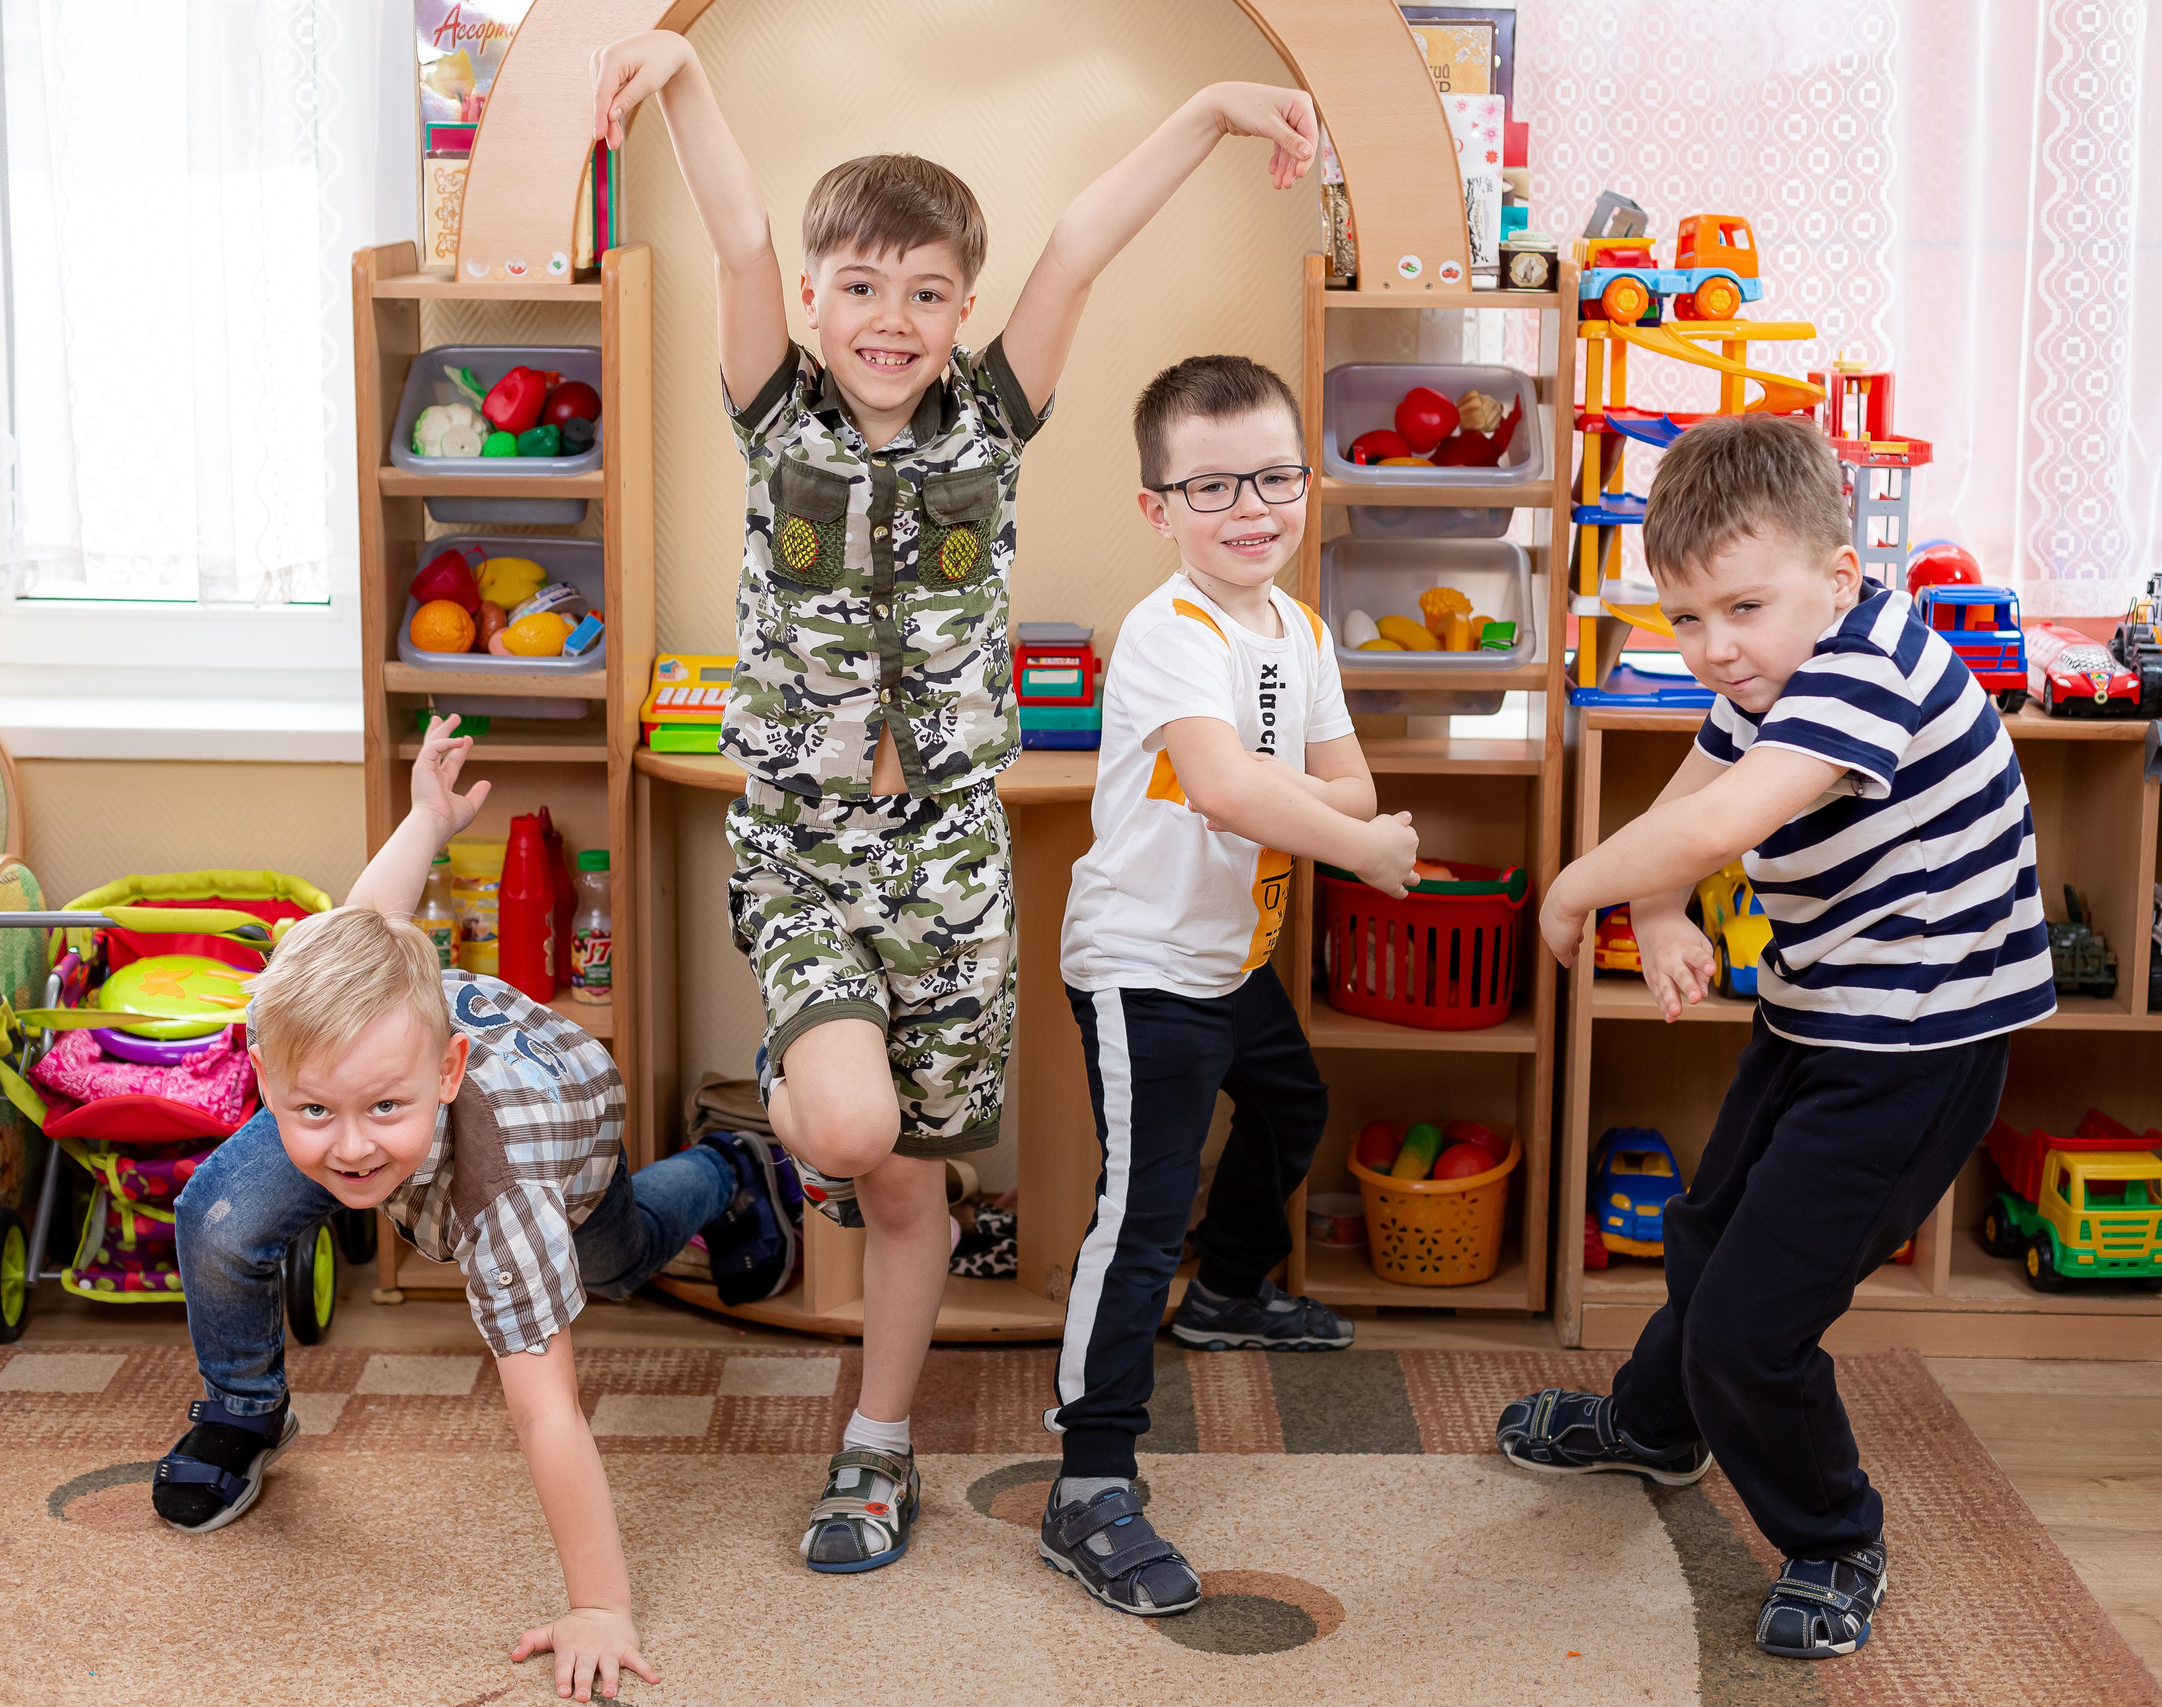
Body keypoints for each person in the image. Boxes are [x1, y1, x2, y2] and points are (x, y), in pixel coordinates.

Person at [588, 31, 1322, 1576]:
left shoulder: (993, 419)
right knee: (851, 1126)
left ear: (962, 312)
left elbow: (1077, 244)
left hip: (951, 862)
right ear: (813, 301)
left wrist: (1202, 104)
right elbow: (729, 225)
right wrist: (677, 77)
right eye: (859, 285)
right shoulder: (769, 416)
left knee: (917, 1181)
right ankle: (748, 1155)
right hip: (804, 842)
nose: (891, 318)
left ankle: (876, 1445)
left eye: (926, 291)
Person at [1501, 413, 2054, 1659]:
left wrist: (1578, 887)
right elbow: (1688, 801)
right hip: (1820, 1014)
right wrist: (1653, 904)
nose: (1714, 651)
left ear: (1840, 579)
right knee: (1704, 1240)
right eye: (1686, 619)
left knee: (1755, 1320)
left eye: (1742, 609)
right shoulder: (1769, 673)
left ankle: (1833, 1536)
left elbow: (1721, 824)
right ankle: (1655, 1424)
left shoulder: (1865, 670)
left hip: (1916, 1046)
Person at [152, 716, 799, 1703]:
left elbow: (546, 1415)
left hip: (564, 1133)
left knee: (616, 1264)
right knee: (222, 1213)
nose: (351, 1146)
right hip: (392, 1052)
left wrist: (600, 1605)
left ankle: (726, 1166)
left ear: (445, 1071)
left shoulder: (510, 1196)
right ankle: (244, 1411)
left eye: (382, 1112)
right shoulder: (315, 1040)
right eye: (311, 1109)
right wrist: (427, 821)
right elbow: (368, 919)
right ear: (264, 1070)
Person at [1041, 356, 1419, 1615]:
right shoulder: (1167, 634)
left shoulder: (1296, 631)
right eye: (1211, 486)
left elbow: (1340, 781)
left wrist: (1307, 807)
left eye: (1272, 475)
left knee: (1292, 1108)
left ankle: (1232, 1296)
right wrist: (1351, 842)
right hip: (1142, 971)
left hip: (1233, 962)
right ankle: (1088, 1482)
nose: (1249, 506)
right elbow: (1226, 788)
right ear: (1157, 506)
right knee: (1137, 1219)